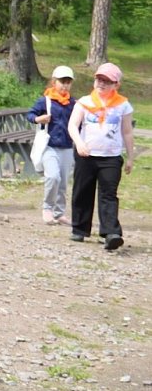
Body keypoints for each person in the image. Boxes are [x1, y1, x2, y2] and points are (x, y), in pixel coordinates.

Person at [68, 63, 134, 251]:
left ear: (116, 84)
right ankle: (79, 229)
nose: (101, 84)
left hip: (111, 157)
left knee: (109, 194)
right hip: (86, 154)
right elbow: (73, 125)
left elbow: (127, 132)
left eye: (107, 81)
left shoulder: (123, 105)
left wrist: (130, 157)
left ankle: (111, 233)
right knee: (82, 191)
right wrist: (79, 143)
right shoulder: (85, 102)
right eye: (99, 79)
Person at [29, 65, 76, 225]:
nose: (65, 85)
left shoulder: (73, 103)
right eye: (62, 81)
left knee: (63, 181)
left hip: (67, 146)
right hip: (49, 145)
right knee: (53, 176)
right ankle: (47, 208)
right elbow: (30, 114)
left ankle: (59, 212)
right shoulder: (45, 100)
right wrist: (38, 119)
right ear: (54, 82)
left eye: (68, 82)